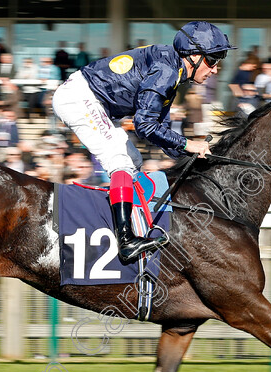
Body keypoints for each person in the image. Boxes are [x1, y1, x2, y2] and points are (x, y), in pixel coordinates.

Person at [52, 21, 236, 263]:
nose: (215, 70)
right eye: (212, 60)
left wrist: (189, 156)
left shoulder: (174, 69)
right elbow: (145, 125)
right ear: (193, 55)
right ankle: (126, 240)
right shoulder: (167, 71)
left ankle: (129, 225)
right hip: (80, 98)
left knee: (134, 160)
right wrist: (188, 144)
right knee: (119, 161)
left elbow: (157, 131)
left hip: (93, 101)